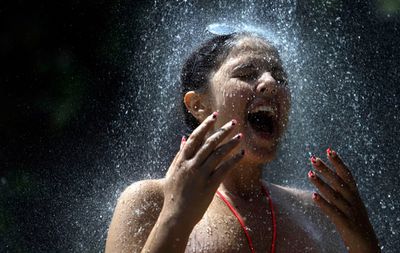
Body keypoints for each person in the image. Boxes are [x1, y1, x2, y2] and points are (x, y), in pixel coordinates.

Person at [105, 31, 380, 253]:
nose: (271, 83)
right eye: (247, 74)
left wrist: (365, 244)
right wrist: (176, 217)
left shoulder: (314, 211)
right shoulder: (149, 201)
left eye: (279, 76)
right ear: (198, 104)